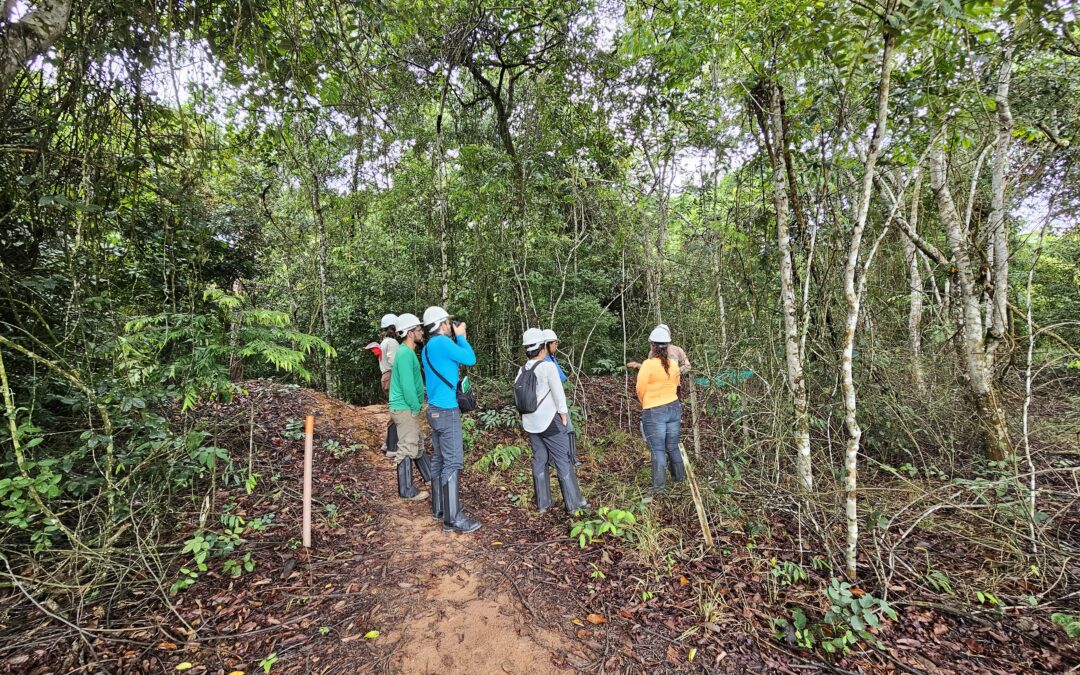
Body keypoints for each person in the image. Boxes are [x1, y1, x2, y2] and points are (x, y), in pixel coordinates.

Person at [421, 305, 480, 534]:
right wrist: (462, 336)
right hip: (447, 411)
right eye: (447, 323)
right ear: (442, 325)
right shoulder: (443, 343)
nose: (450, 326)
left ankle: (439, 509)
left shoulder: (427, 348)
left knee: (439, 460)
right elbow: (470, 359)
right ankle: (453, 518)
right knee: (453, 461)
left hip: (433, 410)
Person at [517, 329, 589, 514]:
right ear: (542, 348)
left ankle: (543, 503)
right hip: (550, 421)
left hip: (531, 423)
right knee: (562, 459)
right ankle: (575, 504)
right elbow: (558, 393)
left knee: (539, 459)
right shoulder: (547, 367)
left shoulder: (522, 369)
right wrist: (564, 414)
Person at [388, 313, 432, 502]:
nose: (422, 332)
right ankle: (406, 490)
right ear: (411, 333)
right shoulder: (405, 353)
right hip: (405, 407)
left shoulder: (407, 352)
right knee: (407, 446)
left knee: (417, 442)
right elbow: (407, 385)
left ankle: (430, 477)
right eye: (419, 329)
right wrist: (415, 406)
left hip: (407, 406)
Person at [636, 324, 686, 492]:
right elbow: (676, 385)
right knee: (672, 446)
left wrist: (645, 403)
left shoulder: (648, 364)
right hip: (673, 407)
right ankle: (680, 480)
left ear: (652, 345)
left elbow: (640, 388)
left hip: (654, 410)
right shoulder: (673, 364)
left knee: (658, 449)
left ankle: (659, 487)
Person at [542, 328, 581, 466]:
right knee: (566, 428)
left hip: (552, 402)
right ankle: (569, 458)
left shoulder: (551, 358)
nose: (556, 346)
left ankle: (563, 458)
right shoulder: (546, 361)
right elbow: (560, 378)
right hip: (552, 402)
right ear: (548, 344)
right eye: (555, 343)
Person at [626, 323, 691, 375]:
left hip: (674, 385)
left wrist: (675, 372)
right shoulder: (652, 352)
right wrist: (637, 365)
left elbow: (687, 366)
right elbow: (650, 369)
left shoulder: (677, 350)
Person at [379, 313, 400, 457]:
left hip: (386, 377)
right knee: (397, 411)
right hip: (392, 376)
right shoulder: (392, 343)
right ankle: (392, 447)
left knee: (395, 409)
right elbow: (394, 362)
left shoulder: (384, 342)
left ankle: (387, 443)